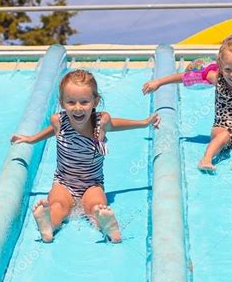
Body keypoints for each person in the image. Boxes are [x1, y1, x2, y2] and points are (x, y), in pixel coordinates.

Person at [11, 69, 160, 243]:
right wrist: (31, 139)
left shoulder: (101, 124)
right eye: (71, 102)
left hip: (92, 184)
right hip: (64, 183)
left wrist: (144, 123)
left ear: (95, 101)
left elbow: (119, 124)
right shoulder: (58, 121)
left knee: (95, 206)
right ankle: (48, 224)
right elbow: (52, 131)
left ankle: (107, 226)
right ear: (62, 103)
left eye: (84, 102)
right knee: (58, 204)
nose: (78, 108)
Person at [142, 36, 232, 174]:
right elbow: (183, 77)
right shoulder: (215, 77)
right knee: (224, 134)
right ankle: (205, 160)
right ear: (220, 66)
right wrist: (159, 82)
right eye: (228, 69)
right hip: (220, 127)